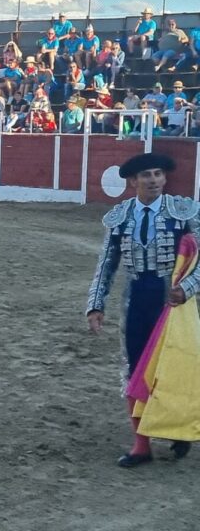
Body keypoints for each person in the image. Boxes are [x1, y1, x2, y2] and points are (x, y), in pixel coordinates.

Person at [87, 153, 200, 467]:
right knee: (135, 369)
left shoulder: (183, 211)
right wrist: (95, 305)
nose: (153, 180)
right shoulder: (120, 216)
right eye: (146, 175)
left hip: (174, 302)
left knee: (173, 368)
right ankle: (141, 445)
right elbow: (106, 265)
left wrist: (187, 288)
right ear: (133, 182)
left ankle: (178, 429)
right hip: (136, 298)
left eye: (158, 174)